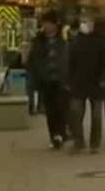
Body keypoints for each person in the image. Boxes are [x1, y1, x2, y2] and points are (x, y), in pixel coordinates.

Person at [68, 15, 105, 153]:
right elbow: (70, 61)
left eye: (88, 21)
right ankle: (78, 141)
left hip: (97, 83)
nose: (85, 24)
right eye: (83, 22)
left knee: (96, 116)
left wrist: (104, 78)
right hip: (78, 82)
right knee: (75, 113)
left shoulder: (101, 40)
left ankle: (95, 144)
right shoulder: (76, 40)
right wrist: (69, 79)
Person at [27, 10, 70, 149]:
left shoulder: (63, 39)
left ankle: (61, 133)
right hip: (46, 82)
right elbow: (32, 60)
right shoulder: (38, 41)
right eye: (44, 23)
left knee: (62, 109)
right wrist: (35, 76)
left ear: (55, 25)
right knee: (50, 111)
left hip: (61, 81)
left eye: (48, 24)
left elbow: (69, 58)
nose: (46, 26)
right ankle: (54, 135)